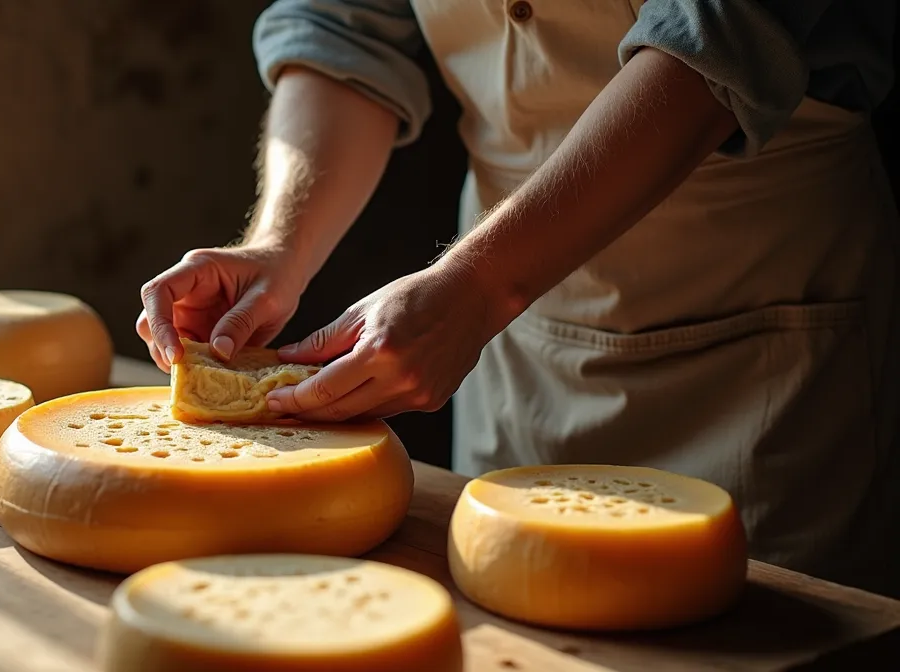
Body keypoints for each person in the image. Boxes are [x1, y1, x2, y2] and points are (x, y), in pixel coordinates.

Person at [136, 0, 900, 596]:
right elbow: (340, 28)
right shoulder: (473, 299)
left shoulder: (477, 292)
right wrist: (280, 245)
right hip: (506, 338)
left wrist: (478, 287)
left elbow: (719, 39)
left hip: (761, 315)